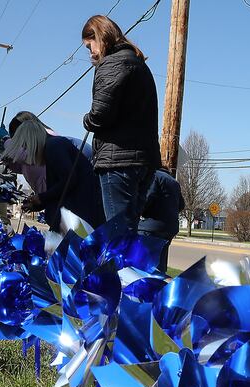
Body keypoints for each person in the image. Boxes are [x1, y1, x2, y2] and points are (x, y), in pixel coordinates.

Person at [81, 15, 161, 231]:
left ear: (99, 37)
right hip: (144, 160)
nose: (91, 53)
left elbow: (100, 115)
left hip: (118, 161)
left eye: (90, 46)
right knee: (129, 231)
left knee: (118, 236)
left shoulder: (111, 64)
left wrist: (86, 120)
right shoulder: (138, 64)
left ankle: (118, 266)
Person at [3, 118, 105, 231]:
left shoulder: (53, 147)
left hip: (82, 215)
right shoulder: (53, 146)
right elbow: (61, 188)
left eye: (25, 146)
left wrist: (42, 197)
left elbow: (69, 181)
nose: (26, 150)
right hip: (80, 214)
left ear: (30, 140)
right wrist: (40, 203)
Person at [138, 168, 185, 272]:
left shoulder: (154, 176)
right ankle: (159, 284)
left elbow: (147, 199)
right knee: (160, 265)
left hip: (150, 228)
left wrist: (137, 211)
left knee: (143, 266)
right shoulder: (174, 182)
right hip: (169, 229)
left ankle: (147, 286)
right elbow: (181, 205)